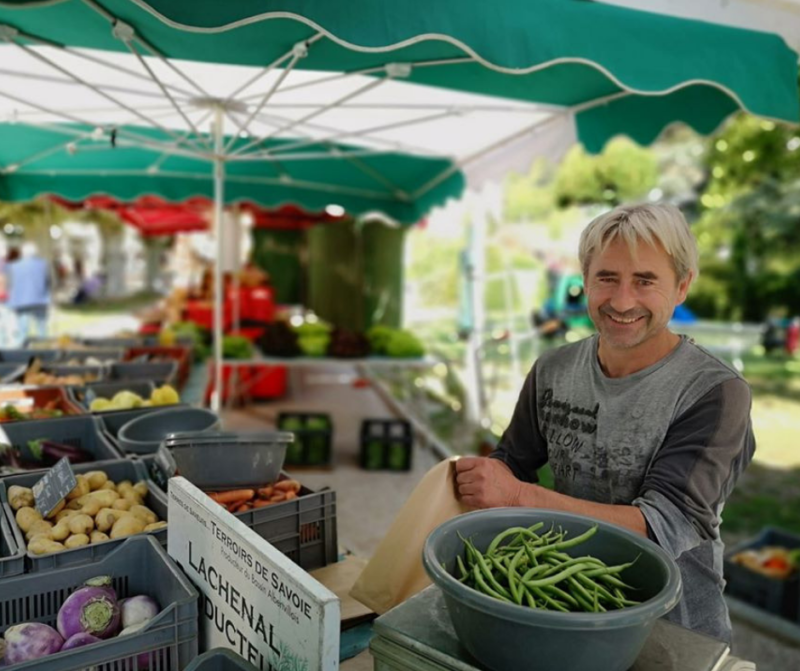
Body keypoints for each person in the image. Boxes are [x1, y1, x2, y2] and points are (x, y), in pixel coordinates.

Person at [455, 203, 755, 643]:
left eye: (645, 281)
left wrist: (518, 493)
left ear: (682, 286)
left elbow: (663, 525)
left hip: (674, 630)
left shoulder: (714, 391)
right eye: (607, 278)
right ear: (585, 279)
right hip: (567, 607)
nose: (621, 301)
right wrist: (482, 478)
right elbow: (512, 462)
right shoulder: (553, 369)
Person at [7, 241, 52, 345]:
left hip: (21, 301)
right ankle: (44, 350)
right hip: (40, 300)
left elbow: (11, 284)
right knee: (42, 329)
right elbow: (48, 281)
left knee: (23, 330)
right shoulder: (43, 264)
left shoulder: (14, 266)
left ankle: (22, 353)